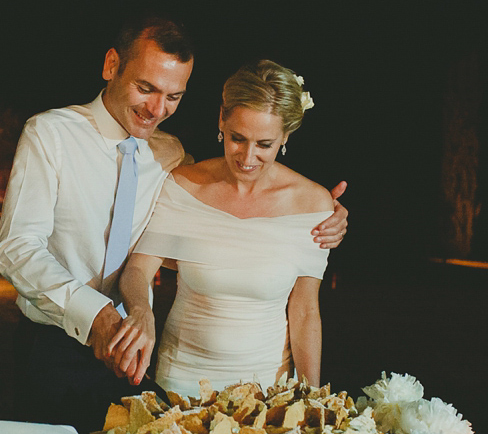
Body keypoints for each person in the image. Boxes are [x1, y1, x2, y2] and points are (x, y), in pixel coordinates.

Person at [0, 16, 347, 434]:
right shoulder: (50, 134)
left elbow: (220, 228)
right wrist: (98, 316)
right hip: (56, 345)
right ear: (111, 66)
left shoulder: (169, 156)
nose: (156, 110)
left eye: (173, 97)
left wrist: (326, 217)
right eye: (146, 88)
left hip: (136, 350)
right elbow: (17, 248)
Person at [109, 59, 334, 398]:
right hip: (180, 382)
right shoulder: (184, 186)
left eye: (264, 145)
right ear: (221, 120)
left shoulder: (313, 205)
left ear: (285, 136)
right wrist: (141, 310)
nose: (247, 156)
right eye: (237, 138)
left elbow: (304, 311)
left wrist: (313, 397)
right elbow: (138, 269)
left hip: (268, 391)